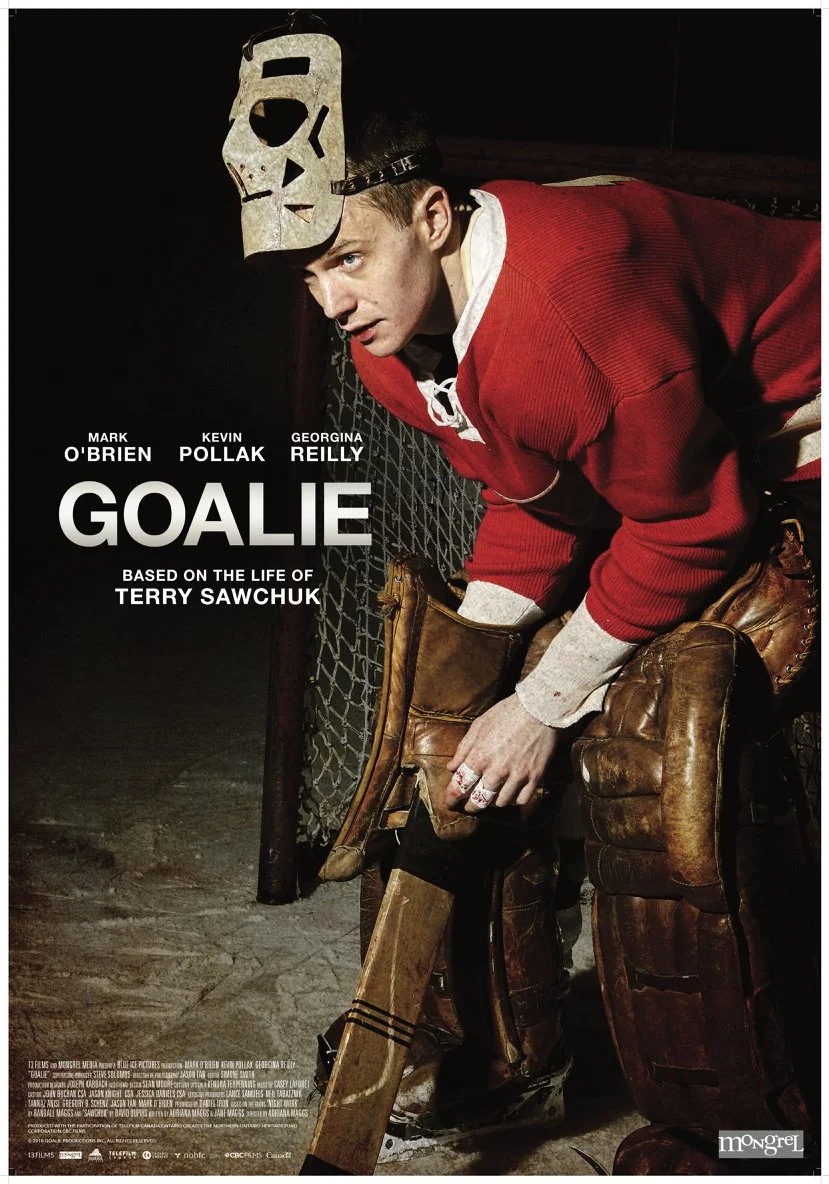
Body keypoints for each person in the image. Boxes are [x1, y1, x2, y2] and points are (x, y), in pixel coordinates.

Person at [246, 86, 819, 819]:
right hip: (719, 437)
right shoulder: (389, 348)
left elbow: (692, 525)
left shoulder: (565, 314)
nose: (332, 304)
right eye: (310, 276)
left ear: (433, 218)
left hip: (811, 408)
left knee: (672, 730)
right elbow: (542, 501)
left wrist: (541, 704)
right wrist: (479, 659)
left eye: (349, 259)